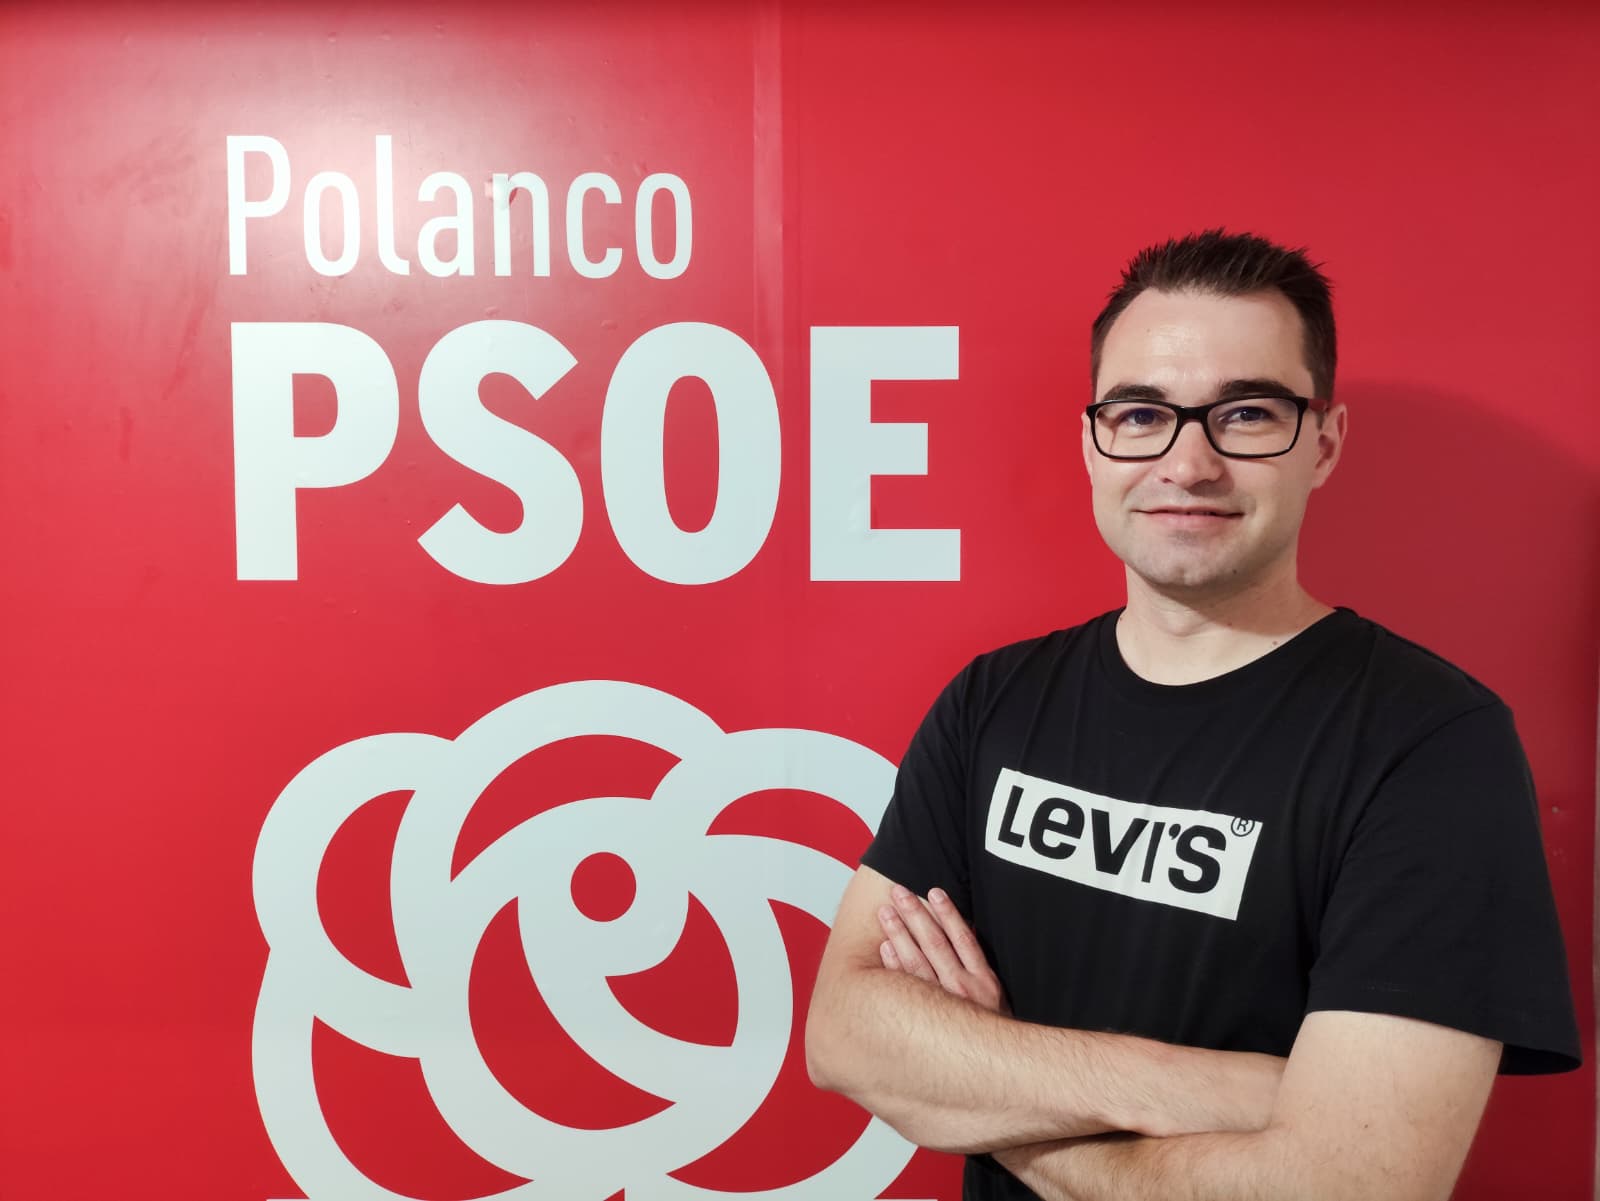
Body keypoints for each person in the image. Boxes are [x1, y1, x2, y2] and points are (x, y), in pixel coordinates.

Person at [804, 230, 1581, 1200]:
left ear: (1323, 443)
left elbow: (1349, 1185)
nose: (1188, 462)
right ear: (1093, 443)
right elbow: (845, 1031)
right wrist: (1212, 1085)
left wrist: (985, 1086)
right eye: (1140, 414)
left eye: (1246, 414)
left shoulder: (1430, 746)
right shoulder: (992, 701)